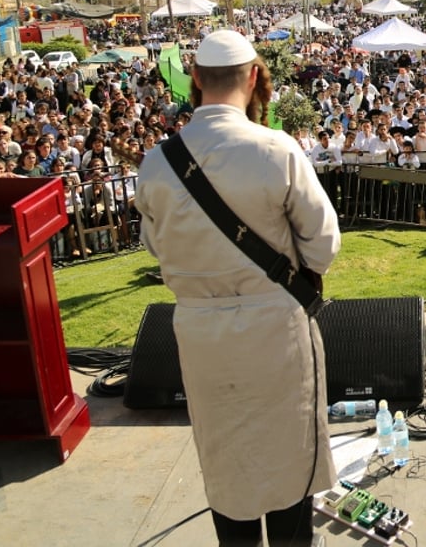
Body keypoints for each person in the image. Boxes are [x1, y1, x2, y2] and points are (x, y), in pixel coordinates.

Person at [136, 30, 340, 547]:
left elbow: (155, 248)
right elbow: (322, 248)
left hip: (202, 336)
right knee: (290, 466)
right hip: (276, 330)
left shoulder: (157, 162)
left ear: (197, 80)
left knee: (227, 467)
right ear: (253, 78)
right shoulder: (277, 149)